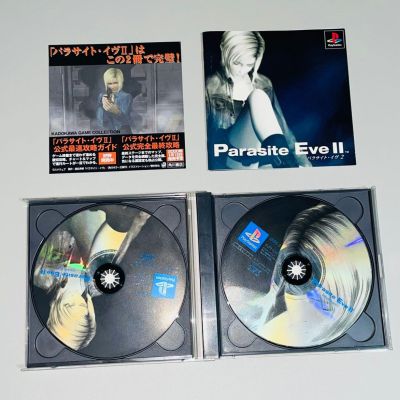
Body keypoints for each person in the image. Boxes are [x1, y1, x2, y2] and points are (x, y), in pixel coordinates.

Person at [205, 31, 311, 169]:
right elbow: (204, 138)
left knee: (258, 94)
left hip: (262, 162)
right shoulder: (210, 86)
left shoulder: (263, 83)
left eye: (249, 64)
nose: (242, 70)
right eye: (237, 63)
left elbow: (283, 130)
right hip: (229, 160)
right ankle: (287, 166)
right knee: (257, 96)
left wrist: (305, 164)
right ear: (224, 50)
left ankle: (288, 165)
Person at [96, 68, 132, 133]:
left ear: (120, 82)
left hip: (123, 131)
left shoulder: (126, 96)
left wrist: (117, 112)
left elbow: (126, 120)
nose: (112, 86)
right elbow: (100, 120)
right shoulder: (102, 96)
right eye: (109, 83)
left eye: (115, 83)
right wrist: (102, 105)